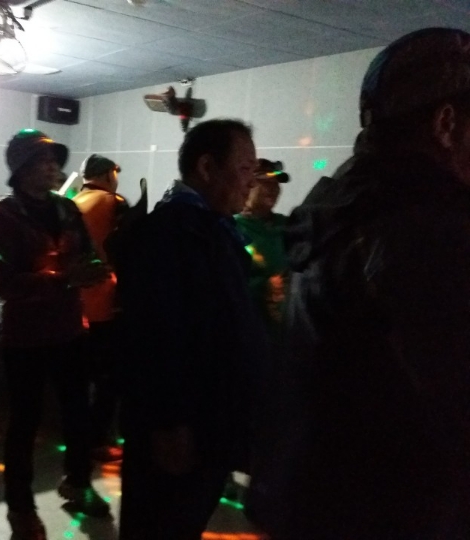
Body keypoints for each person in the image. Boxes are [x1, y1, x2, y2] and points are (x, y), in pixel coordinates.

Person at [245, 28, 470, 539]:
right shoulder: (428, 229)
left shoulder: (336, 208)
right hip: (389, 513)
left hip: (309, 499)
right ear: (446, 123)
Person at [116, 119, 270, 540]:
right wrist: (170, 422)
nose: (252, 182)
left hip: (209, 421)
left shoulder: (212, 228)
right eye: (244, 169)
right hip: (181, 429)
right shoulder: (170, 232)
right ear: (207, 167)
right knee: (159, 525)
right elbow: (156, 335)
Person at [0, 129, 111, 540]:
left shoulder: (66, 209)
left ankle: (78, 483)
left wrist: (95, 268)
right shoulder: (3, 217)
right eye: (43, 160)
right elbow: (6, 284)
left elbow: (87, 254)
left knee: (78, 414)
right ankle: (20, 506)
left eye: (55, 159)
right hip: (25, 338)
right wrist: (62, 279)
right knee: (25, 423)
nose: (54, 166)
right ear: (21, 168)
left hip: (69, 329)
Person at [72, 154, 127, 462]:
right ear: (108, 175)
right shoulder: (113, 203)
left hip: (74, 306)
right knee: (109, 378)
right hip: (105, 305)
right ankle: (97, 441)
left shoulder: (72, 203)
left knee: (80, 378)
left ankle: (77, 434)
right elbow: (129, 251)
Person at [234, 159, 290, 346]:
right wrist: (265, 287)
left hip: (287, 335)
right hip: (248, 335)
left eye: (276, 184)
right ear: (248, 184)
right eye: (266, 182)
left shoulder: (289, 226)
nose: (273, 189)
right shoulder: (232, 229)